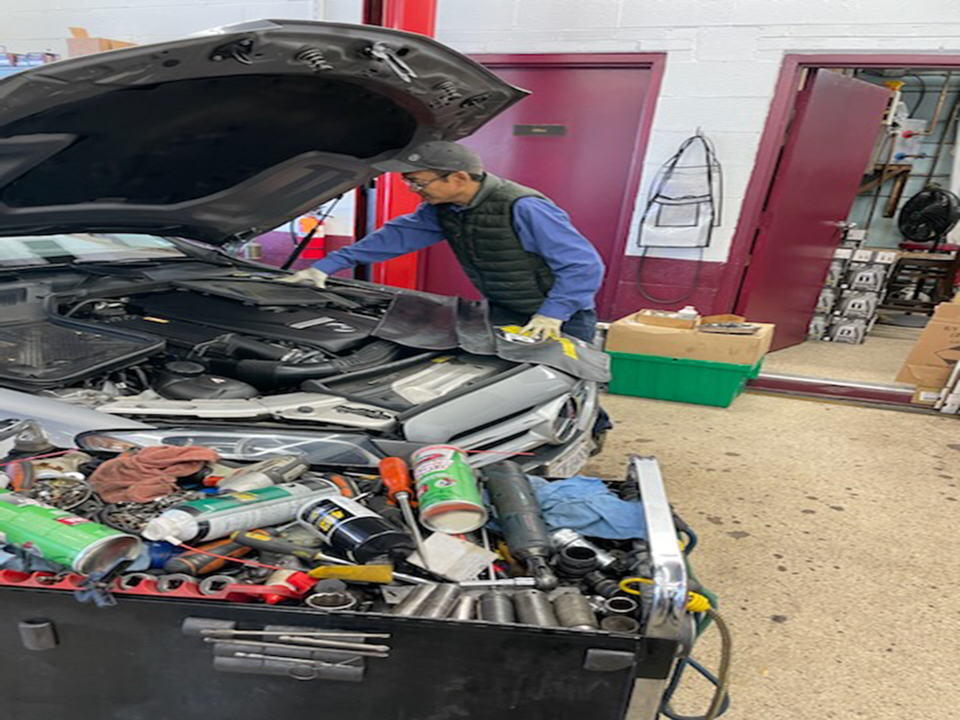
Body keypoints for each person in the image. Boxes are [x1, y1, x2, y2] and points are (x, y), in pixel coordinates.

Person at [281, 141, 605, 343]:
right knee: (517, 381)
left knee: (569, 381)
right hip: (506, 309)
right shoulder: (443, 209)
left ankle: (594, 431)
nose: (413, 189)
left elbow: (582, 266)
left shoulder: (522, 206)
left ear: (459, 178)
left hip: (559, 316)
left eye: (418, 182)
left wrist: (554, 313)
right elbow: (394, 237)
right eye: (408, 182)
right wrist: (325, 267)